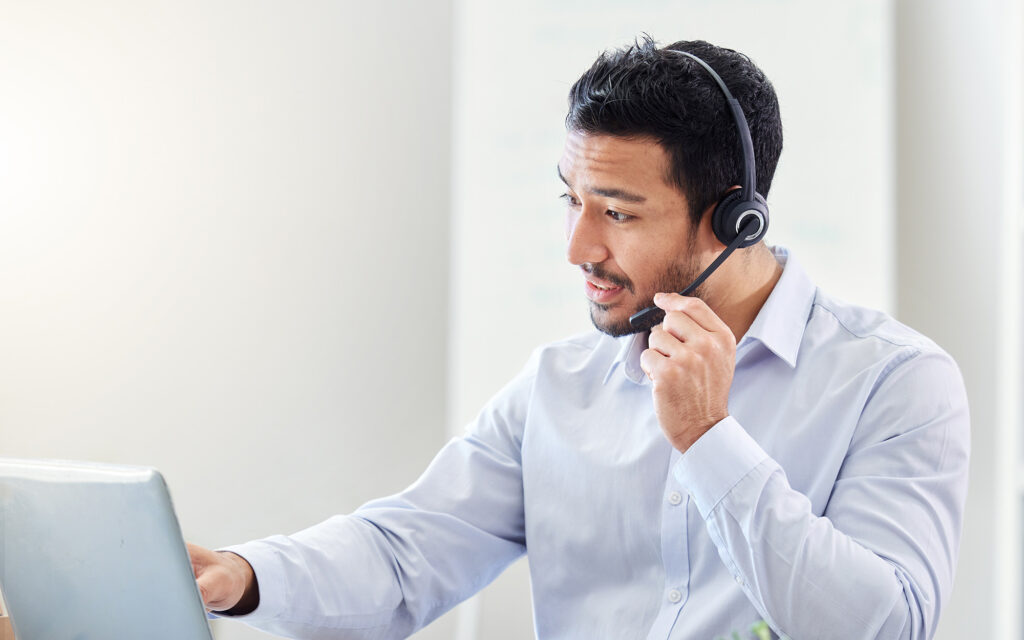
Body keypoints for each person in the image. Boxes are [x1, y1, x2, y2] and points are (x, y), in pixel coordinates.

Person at [189, 37, 969, 640]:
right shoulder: (558, 385)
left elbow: (885, 625)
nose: (577, 247)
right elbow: (406, 550)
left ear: (735, 219)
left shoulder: (895, 384)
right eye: (572, 200)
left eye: (618, 213)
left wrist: (709, 439)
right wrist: (245, 574)